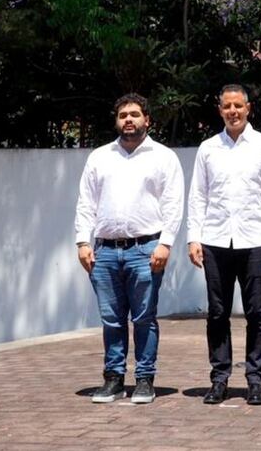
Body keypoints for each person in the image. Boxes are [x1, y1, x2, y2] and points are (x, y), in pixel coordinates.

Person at [74, 93, 184, 405]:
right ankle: (113, 379)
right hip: (105, 252)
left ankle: (145, 379)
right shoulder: (99, 157)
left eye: (135, 114)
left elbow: (173, 204)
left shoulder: (163, 157)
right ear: (117, 120)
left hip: (145, 249)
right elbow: (86, 204)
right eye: (123, 115)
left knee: (144, 318)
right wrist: (83, 241)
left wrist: (166, 243)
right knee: (111, 319)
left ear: (147, 119)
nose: (129, 120)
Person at [187, 84, 261, 406]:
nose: (233, 111)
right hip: (215, 240)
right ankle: (219, 378)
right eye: (227, 106)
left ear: (249, 108)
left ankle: (255, 379)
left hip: (255, 239)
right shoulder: (208, 149)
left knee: (257, 312)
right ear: (220, 110)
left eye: (238, 106)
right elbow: (198, 196)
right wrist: (193, 237)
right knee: (217, 313)